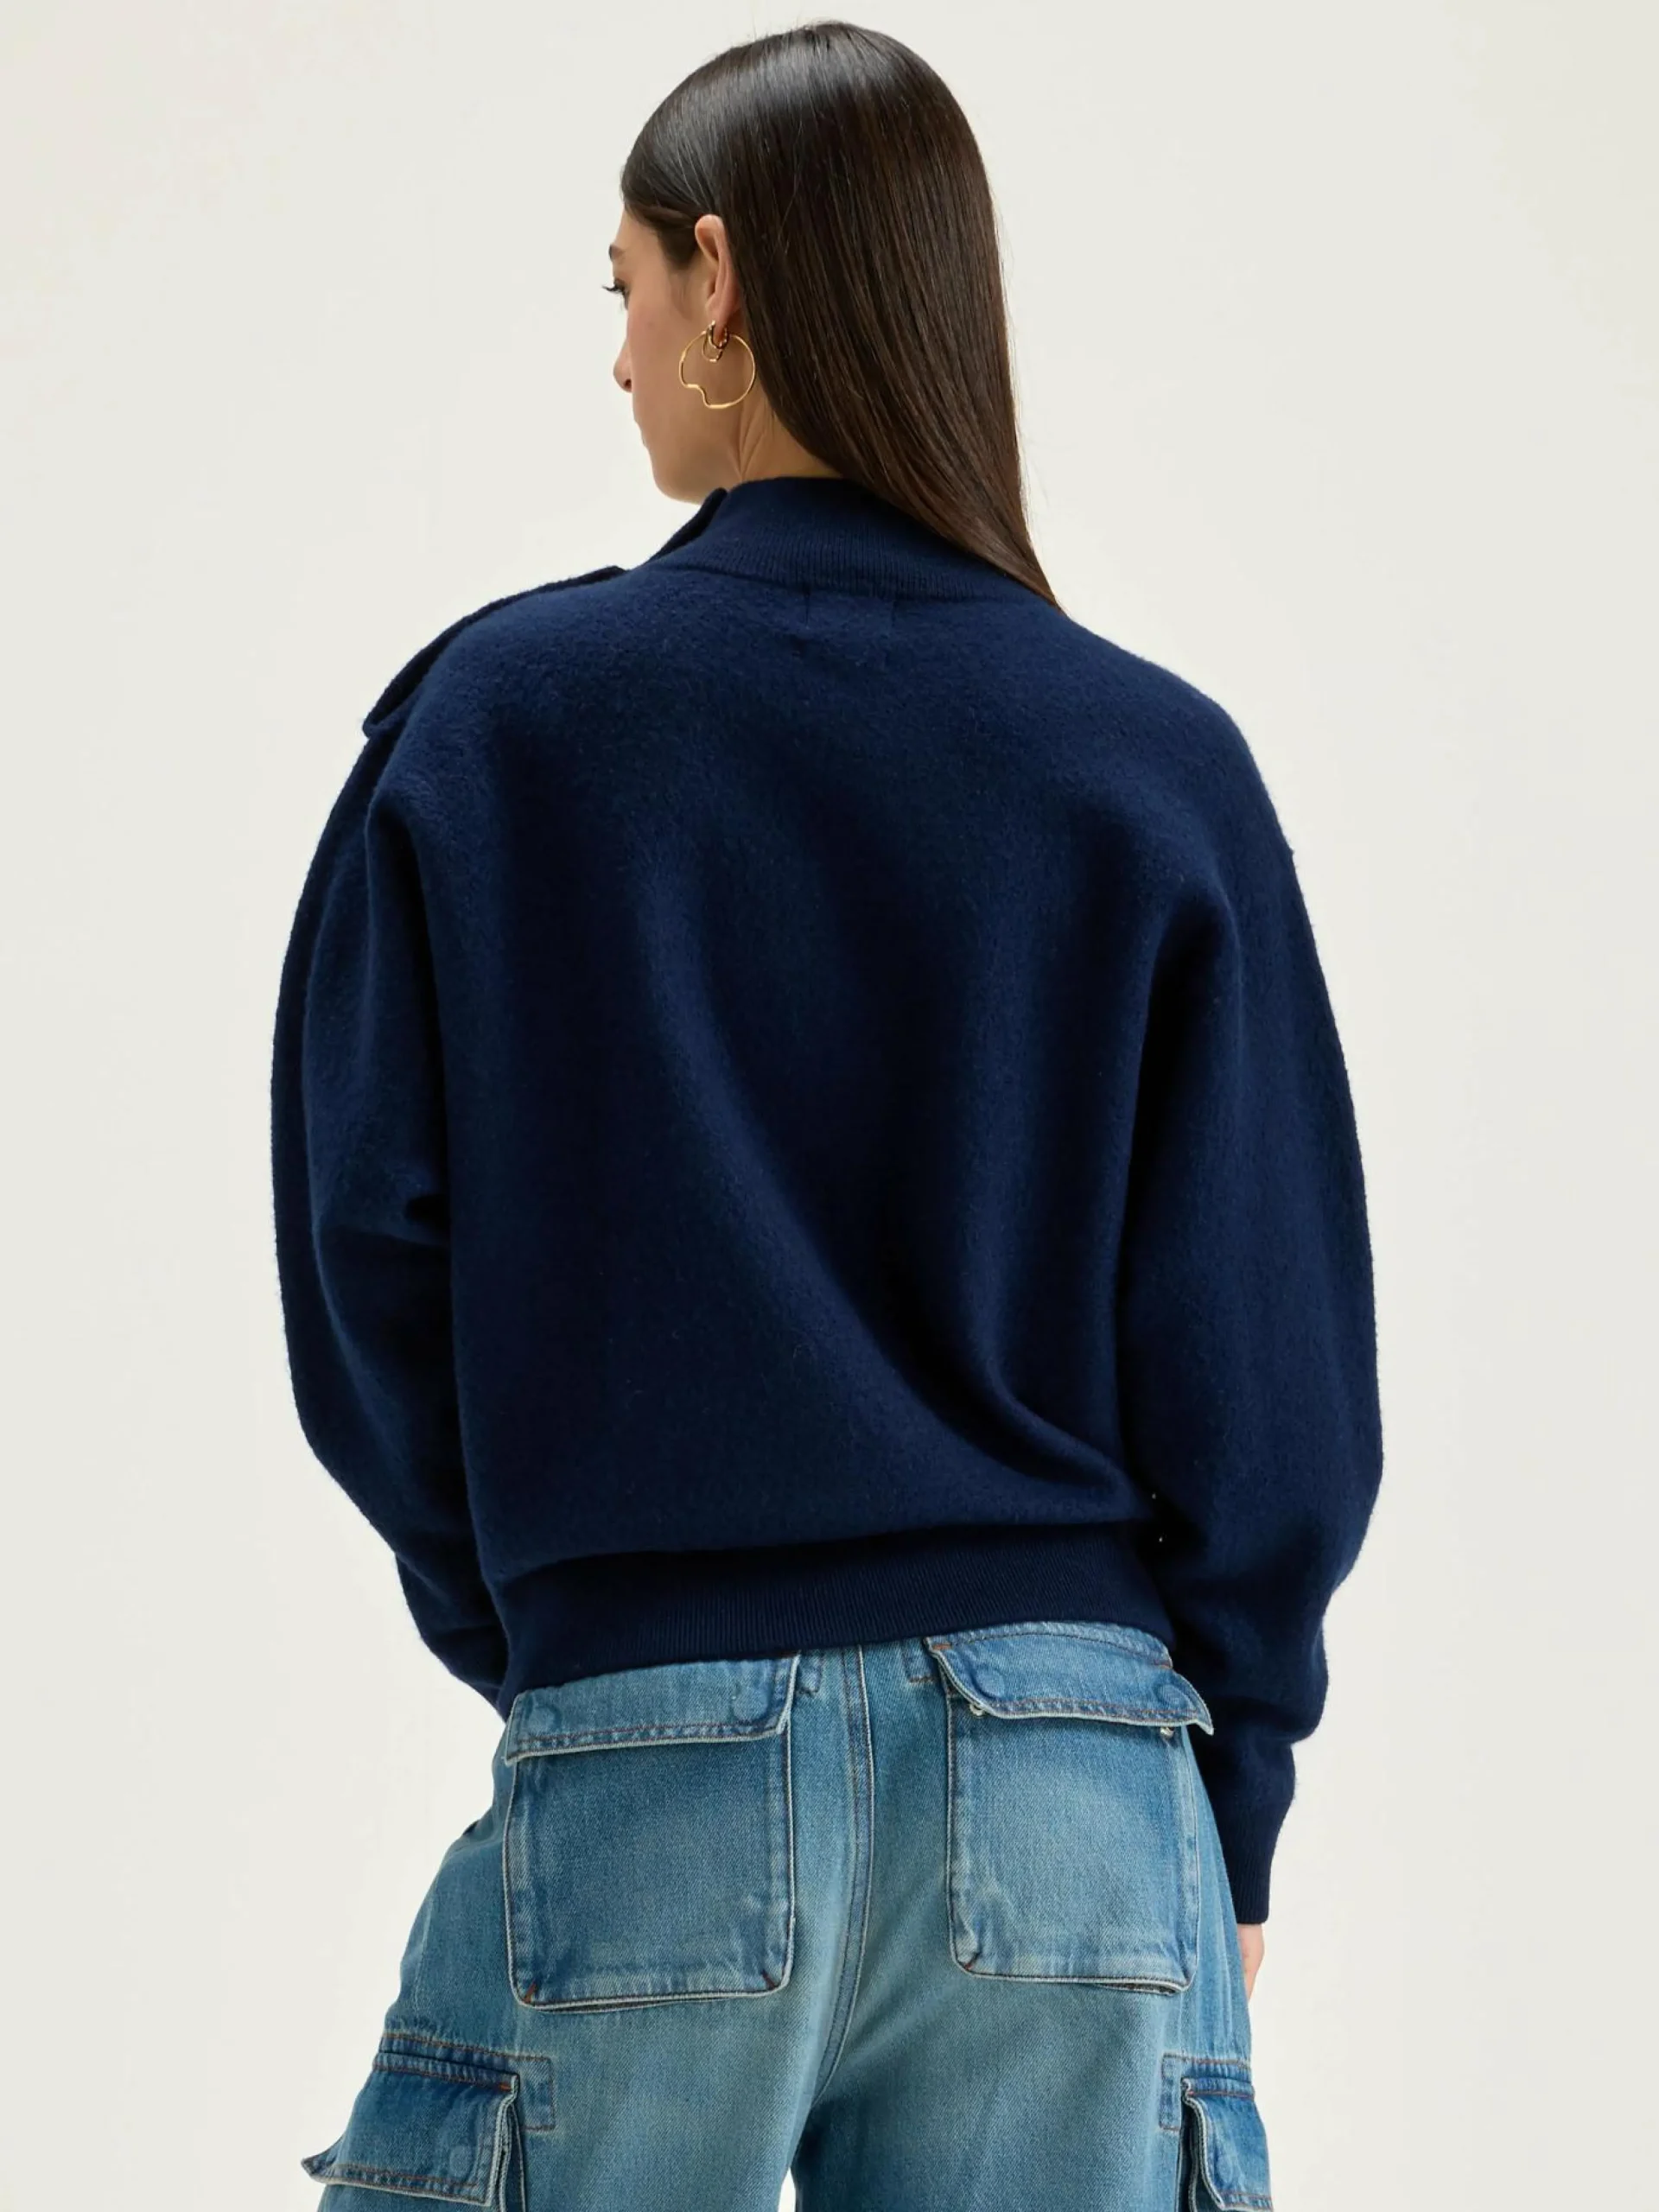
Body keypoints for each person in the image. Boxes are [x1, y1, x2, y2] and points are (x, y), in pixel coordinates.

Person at [270, 21, 1383, 2210]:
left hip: (651, 1738)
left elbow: (366, 1254)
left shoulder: (495, 727)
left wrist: (577, 1632)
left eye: (622, 288)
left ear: (723, 274)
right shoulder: (1154, 763)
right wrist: (1228, 1785)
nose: (616, 356)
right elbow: (1270, 1360)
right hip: (1078, 1792)